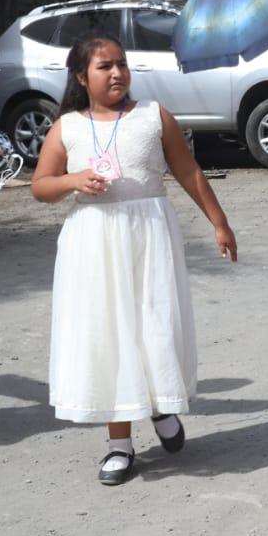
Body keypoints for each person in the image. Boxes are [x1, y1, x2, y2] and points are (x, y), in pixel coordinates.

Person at [31, 33, 236, 486]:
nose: (117, 73)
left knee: (154, 323)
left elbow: (187, 170)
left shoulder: (153, 116)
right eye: (105, 66)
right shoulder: (67, 126)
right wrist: (73, 181)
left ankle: (162, 406)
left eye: (122, 64)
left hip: (149, 235)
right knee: (110, 333)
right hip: (95, 241)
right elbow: (41, 185)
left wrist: (219, 222)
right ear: (82, 77)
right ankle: (119, 445)